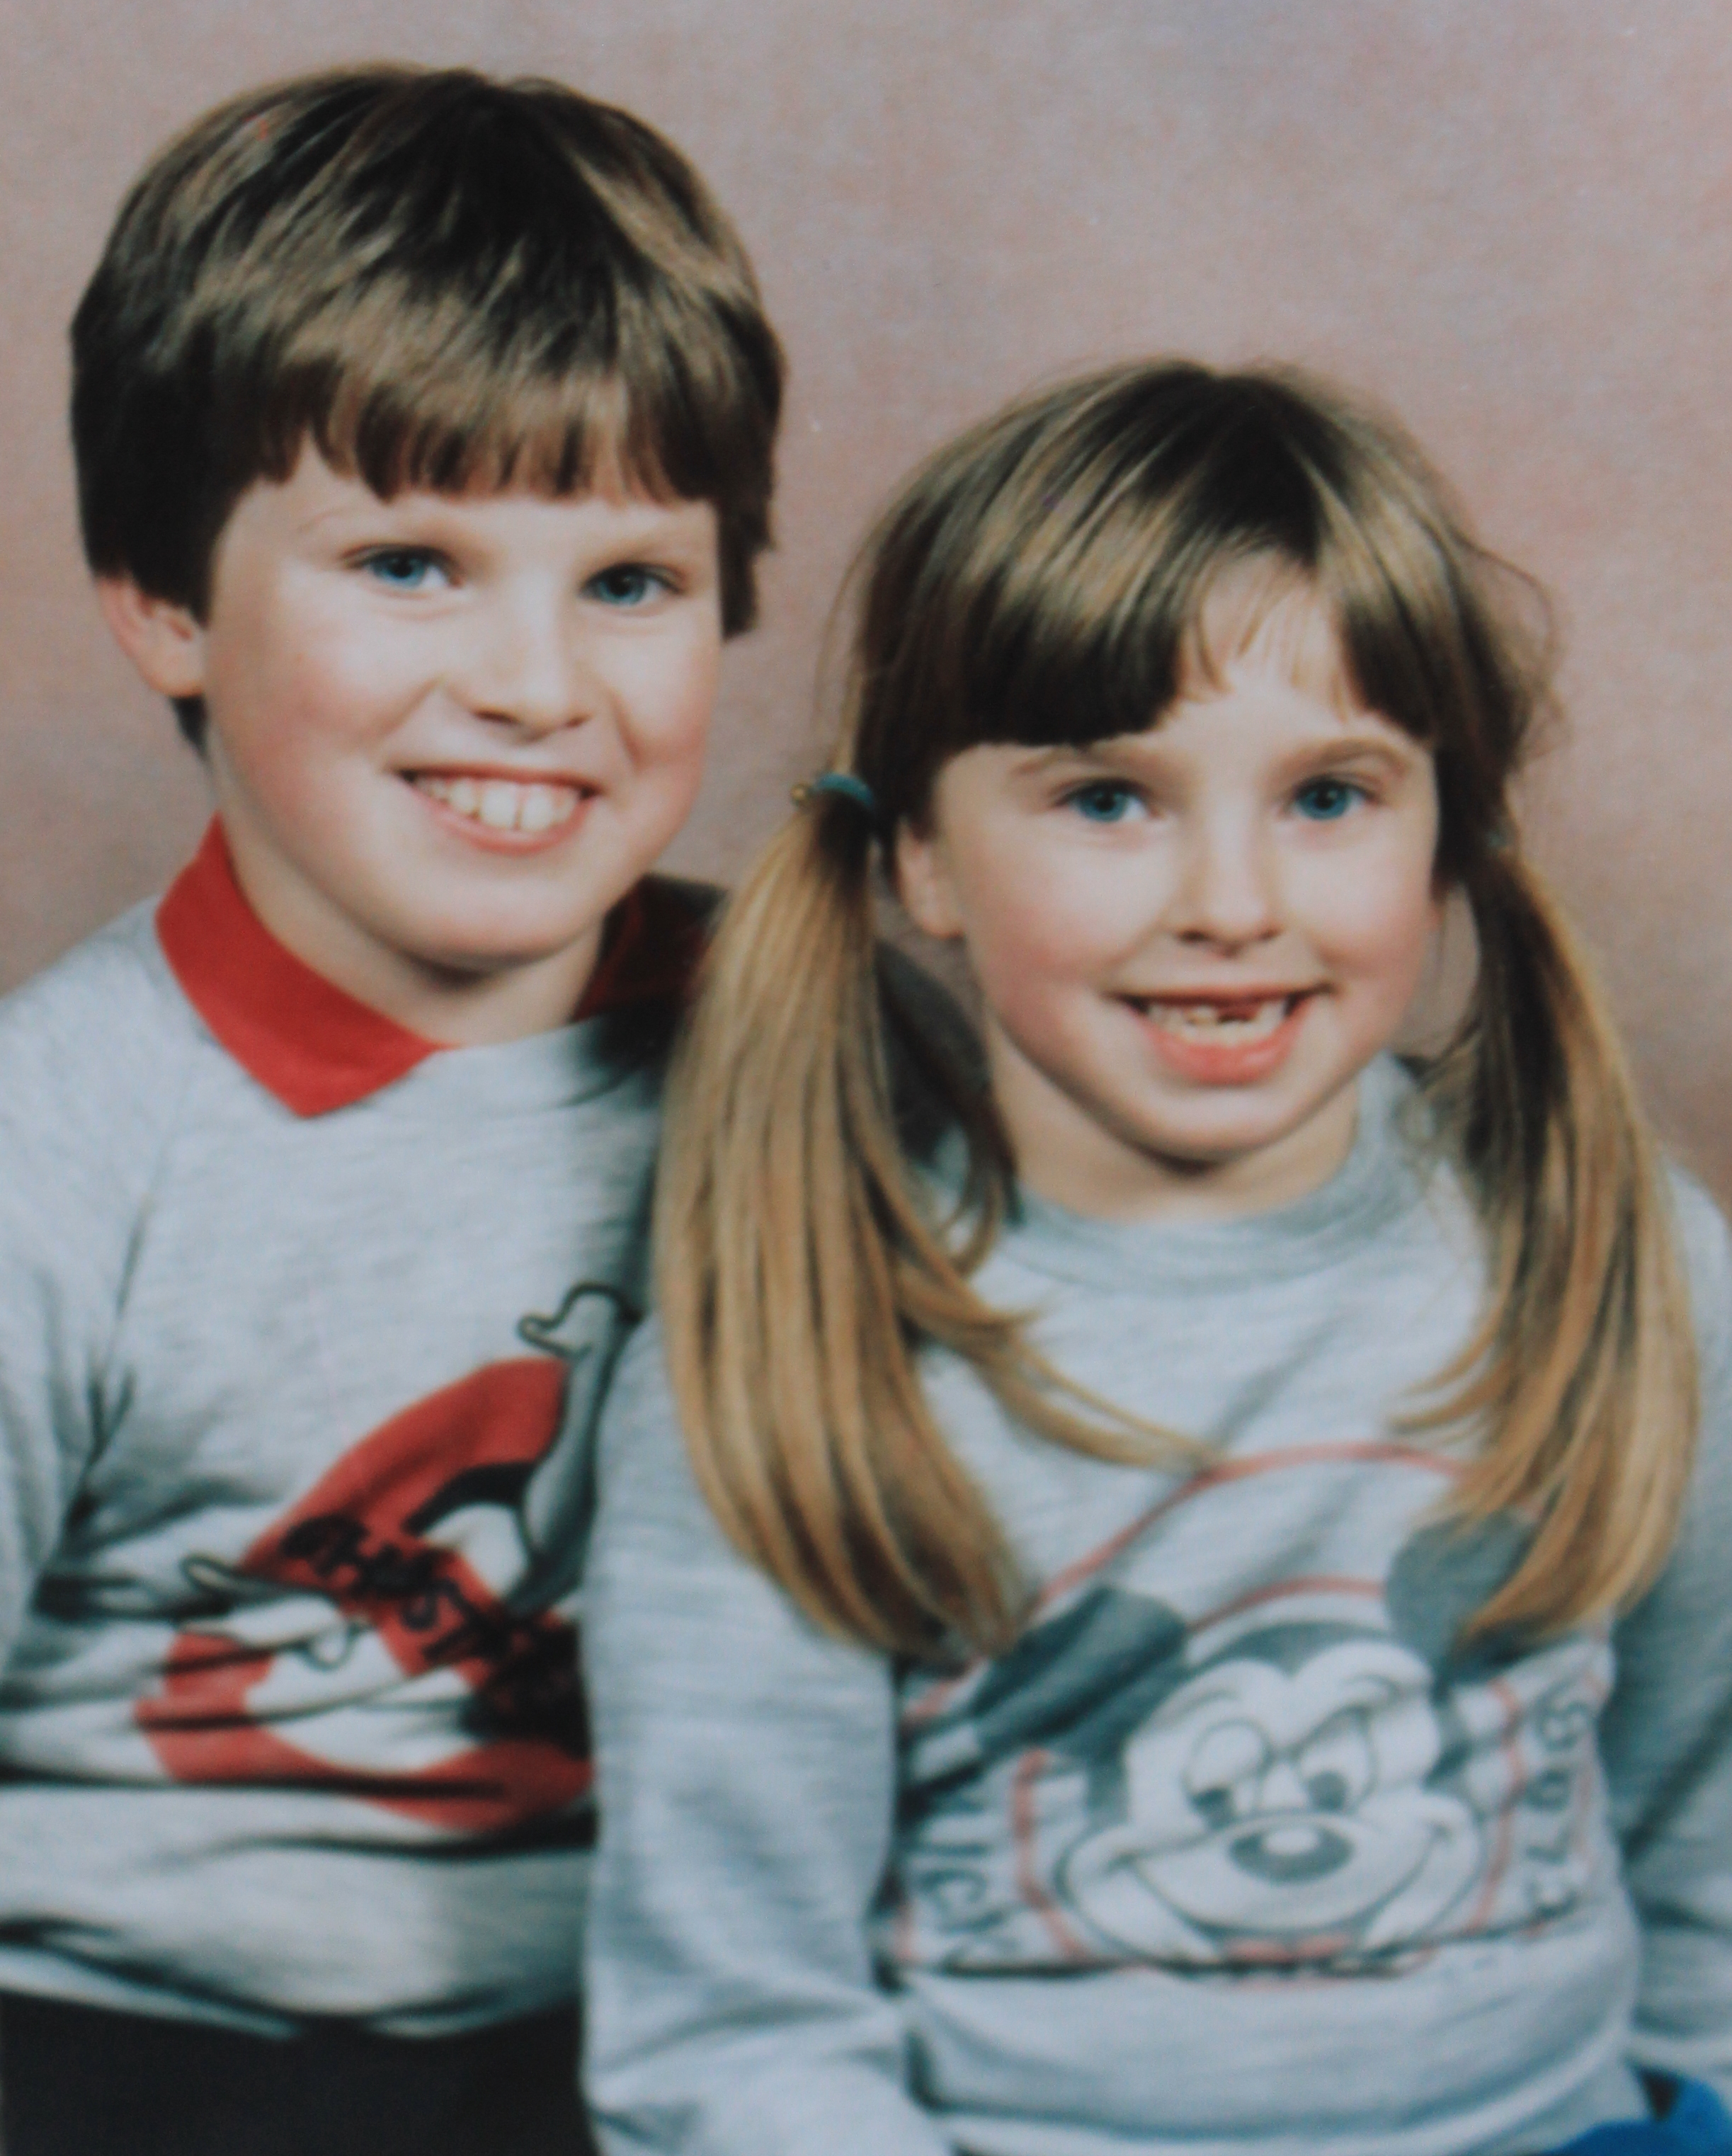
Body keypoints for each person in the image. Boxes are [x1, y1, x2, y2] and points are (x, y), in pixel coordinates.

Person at [581, 362, 1732, 2155]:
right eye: (1108, 798)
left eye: (1328, 795)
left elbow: (1701, 1825)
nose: (1229, 902)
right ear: (923, 858)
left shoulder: (1610, 1250)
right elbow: (734, 2041)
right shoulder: (799, 1351)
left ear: (1443, 837)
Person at [0, 64, 781, 2156]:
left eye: (628, 582)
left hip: (647, 2026)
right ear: (164, 596)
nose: (536, 683)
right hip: (126, 2039)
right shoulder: (58, 1148)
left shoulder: (814, 1050)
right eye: (411, 561)